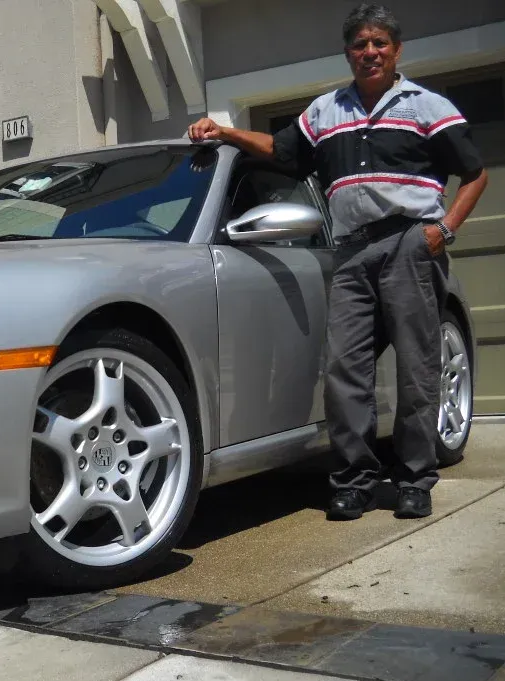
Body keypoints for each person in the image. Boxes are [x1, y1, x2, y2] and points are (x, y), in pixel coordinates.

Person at [187, 3, 488, 521]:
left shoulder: (426, 106)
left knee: (418, 369)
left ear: (396, 51)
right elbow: (280, 150)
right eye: (359, 45)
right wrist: (226, 131)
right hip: (349, 253)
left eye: (379, 44)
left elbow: (476, 173)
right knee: (345, 368)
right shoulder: (326, 112)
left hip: (408, 244)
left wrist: (443, 230)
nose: (369, 52)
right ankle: (355, 481)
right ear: (347, 53)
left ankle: (415, 478)